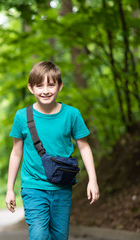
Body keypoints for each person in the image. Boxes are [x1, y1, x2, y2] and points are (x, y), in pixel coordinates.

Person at [5, 61, 100, 240]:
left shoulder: (72, 114)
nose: (45, 90)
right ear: (31, 88)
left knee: (59, 237)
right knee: (39, 235)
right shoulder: (21, 116)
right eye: (39, 85)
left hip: (62, 187)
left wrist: (92, 180)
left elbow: (84, 147)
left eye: (51, 84)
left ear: (60, 86)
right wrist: (10, 188)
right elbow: (16, 153)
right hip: (33, 187)